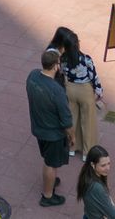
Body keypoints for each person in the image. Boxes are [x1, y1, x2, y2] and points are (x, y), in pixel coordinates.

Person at [26, 49, 74, 208]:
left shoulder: (32, 76)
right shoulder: (56, 90)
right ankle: (47, 195)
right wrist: (72, 137)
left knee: (48, 159)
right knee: (50, 164)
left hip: (39, 128)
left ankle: (51, 180)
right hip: (53, 134)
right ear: (55, 66)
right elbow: (67, 121)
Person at [50, 27, 102, 157]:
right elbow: (94, 76)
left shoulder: (63, 59)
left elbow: (61, 72)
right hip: (85, 90)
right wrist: (99, 91)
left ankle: (72, 147)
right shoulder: (86, 59)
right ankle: (87, 151)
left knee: (72, 118)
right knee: (88, 121)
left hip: (70, 89)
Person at [76, 145, 115, 219]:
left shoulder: (86, 175)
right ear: (93, 165)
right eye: (103, 165)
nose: (108, 168)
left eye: (109, 163)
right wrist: (110, 202)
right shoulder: (97, 187)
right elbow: (114, 215)